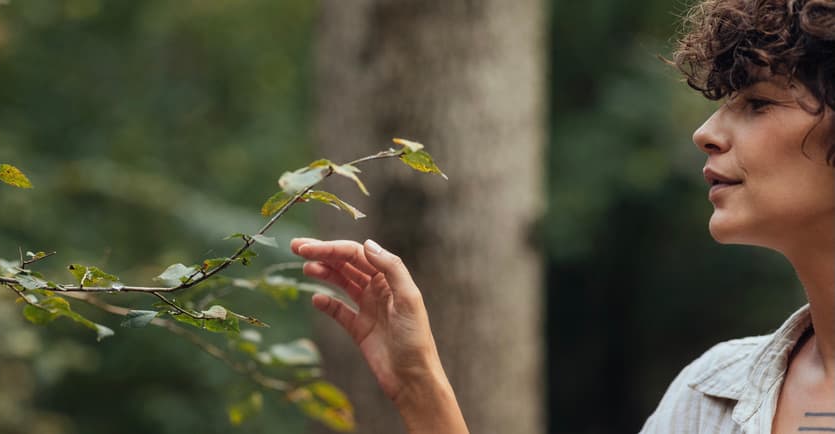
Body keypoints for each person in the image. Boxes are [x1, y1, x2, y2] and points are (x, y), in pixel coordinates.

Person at [290, 0, 835, 432]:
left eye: (758, 103)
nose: (706, 133)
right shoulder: (712, 395)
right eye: (723, 102)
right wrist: (418, 386)